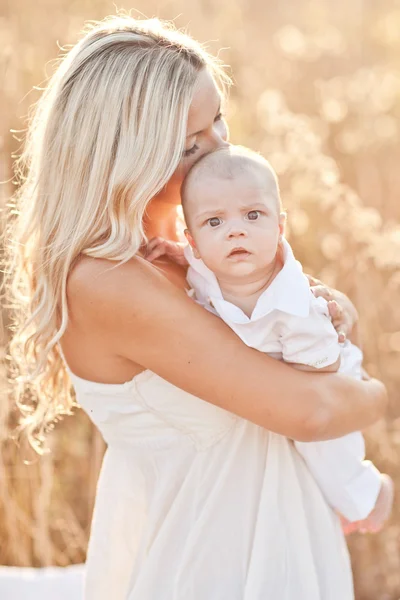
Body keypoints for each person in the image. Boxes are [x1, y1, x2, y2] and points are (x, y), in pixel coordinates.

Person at [6, 15, 387, 600]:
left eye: (219, 121)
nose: (220, 149)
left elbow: (283, 349)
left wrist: (325, 318)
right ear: (123, 155)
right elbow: (308, 411)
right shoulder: (109, 281)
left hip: (272, 531)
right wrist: (378, 395)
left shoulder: (204, 245)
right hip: (209, 559)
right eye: (190, 145)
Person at [172, 144, 393, 534]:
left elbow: (322, 370)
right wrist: (166, 253)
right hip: (268, 382)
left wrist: (277, 388)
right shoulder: (201, 268)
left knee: (323, 451)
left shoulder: (294, 301)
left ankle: (368, 494)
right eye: (214, 222)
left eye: (253, 215)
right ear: (192, 242)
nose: (236, 229)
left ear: (279, 227)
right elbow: (184, 263)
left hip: (324, 373)